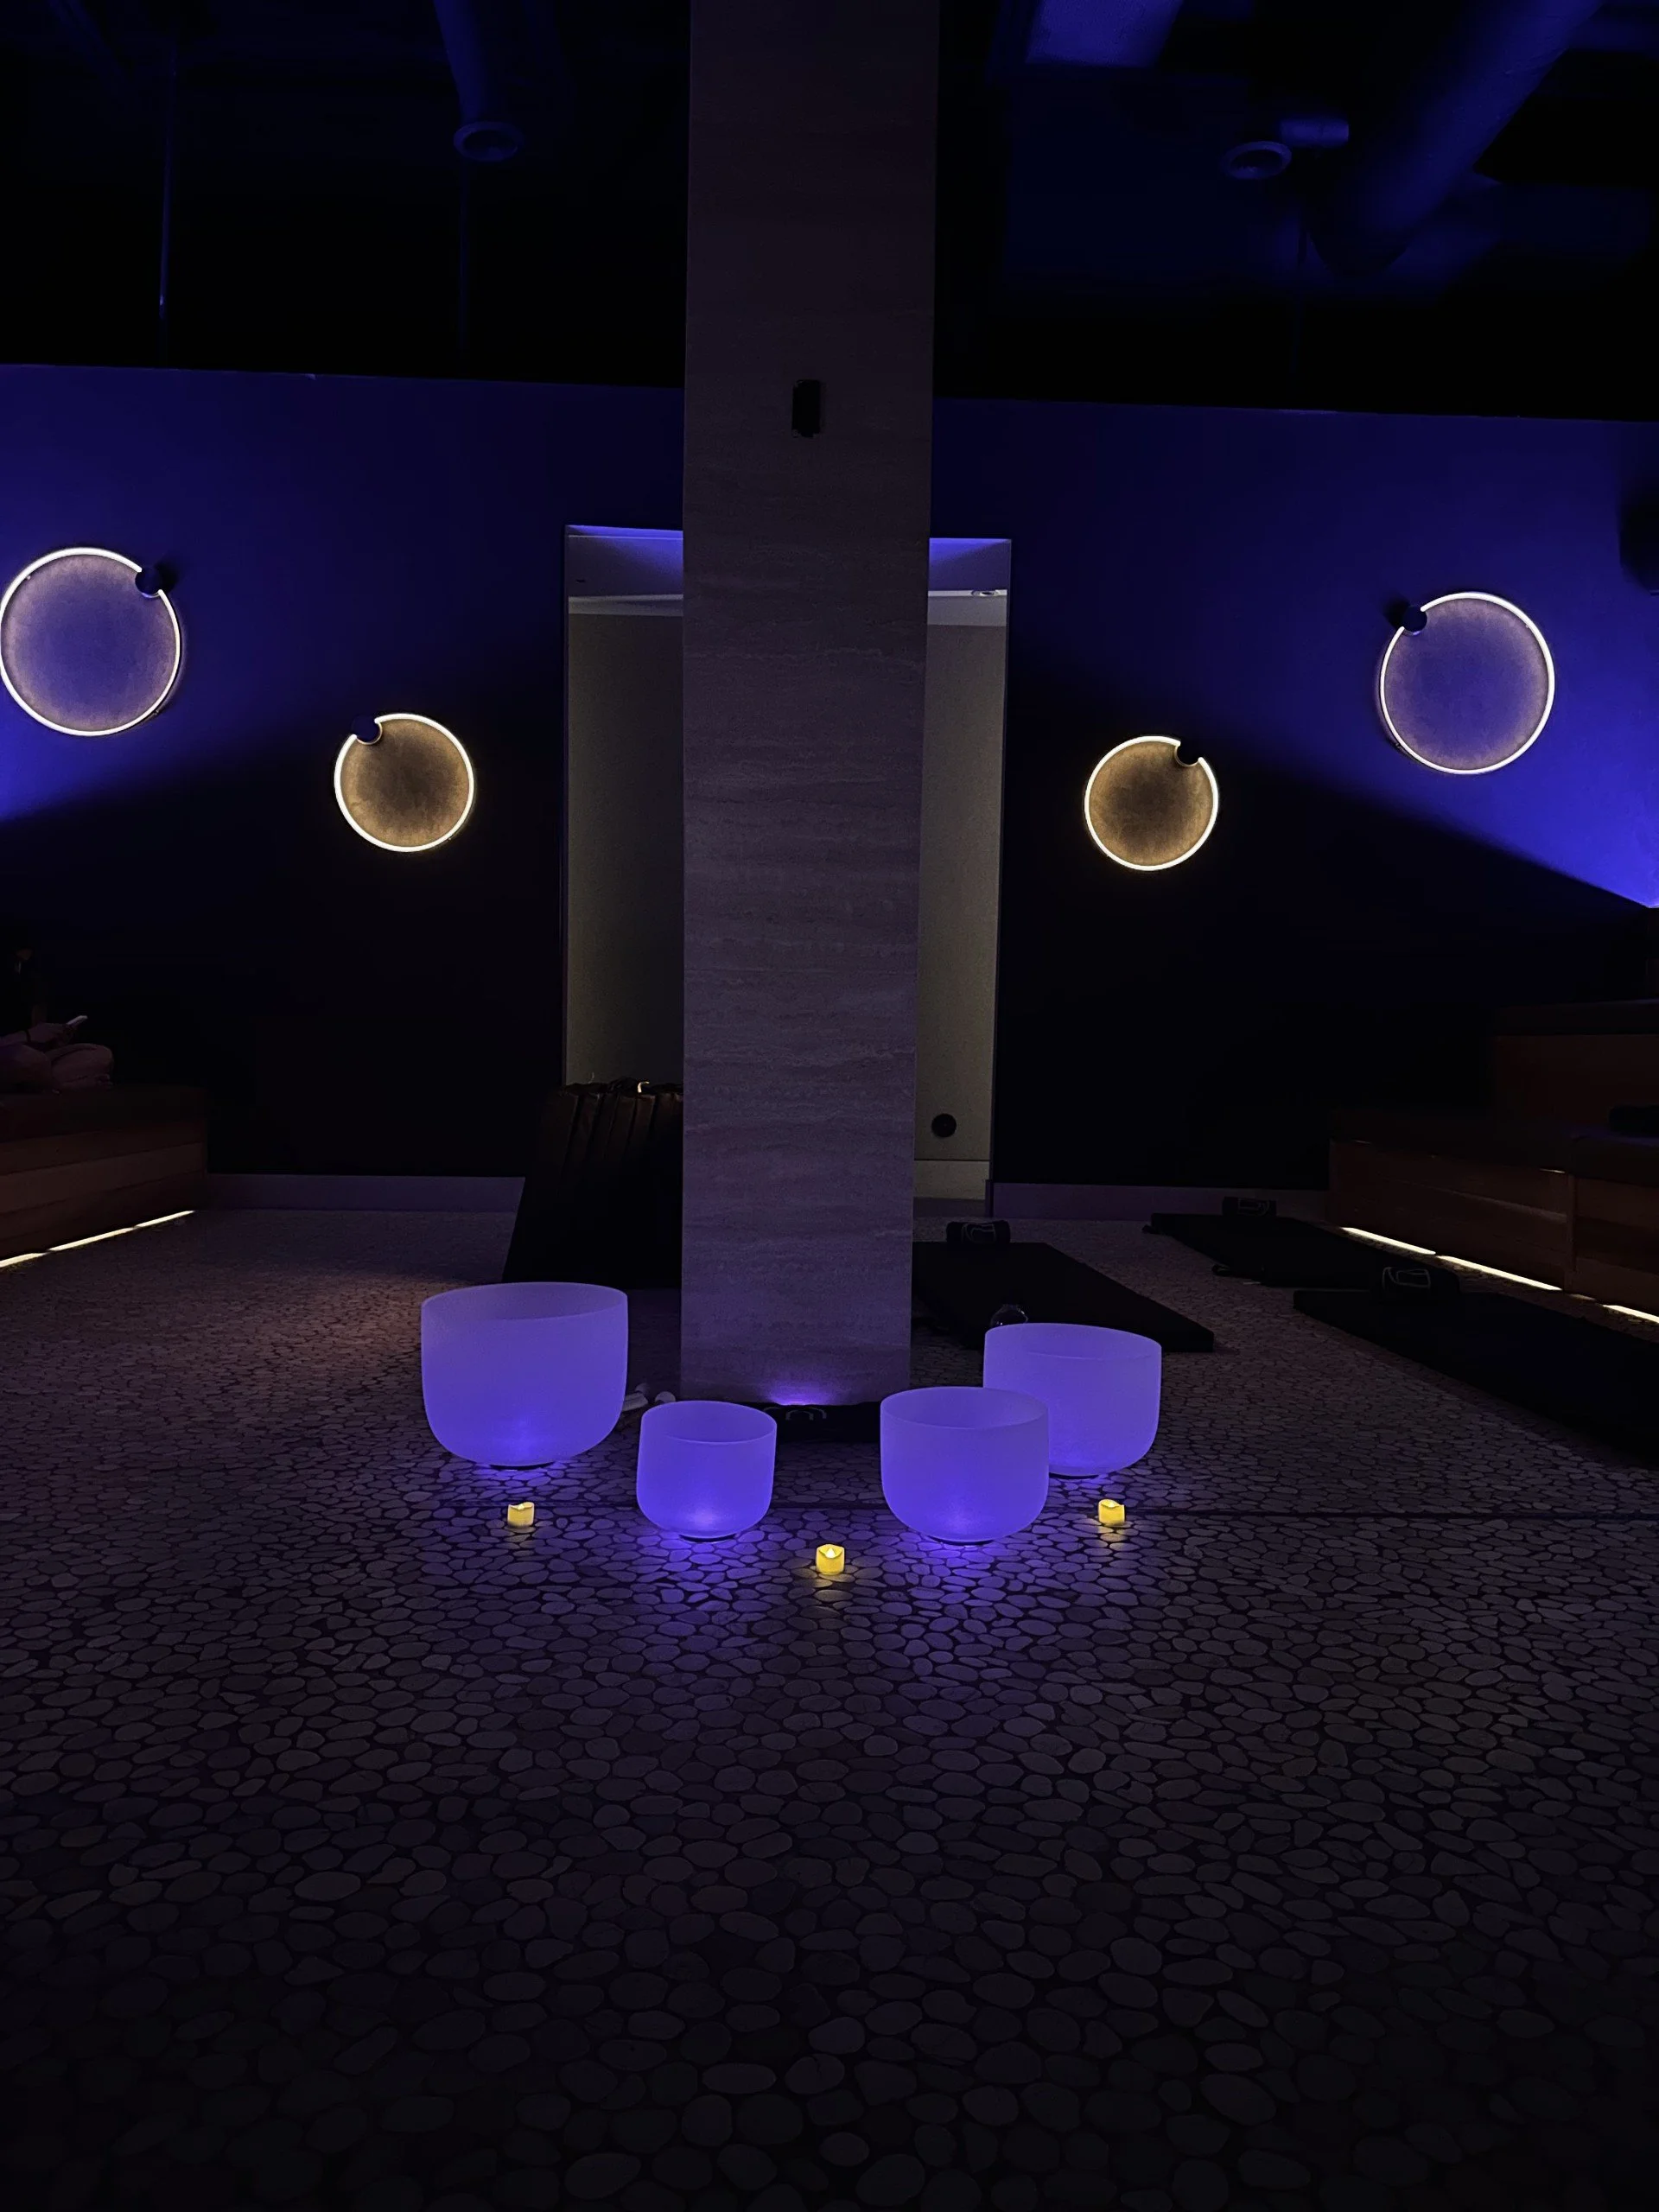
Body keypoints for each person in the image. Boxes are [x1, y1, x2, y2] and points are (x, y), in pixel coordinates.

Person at [0, 918, 113, 1092]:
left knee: (100, 1055)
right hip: (16, 1059)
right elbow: (25, 1044)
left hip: (36, 1063)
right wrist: (27, 1036)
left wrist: (54, 1039)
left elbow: (38, 1044)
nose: (18, 969)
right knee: (28, 1059)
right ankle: (63, 1087)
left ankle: (39, 1084)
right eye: (15, 962)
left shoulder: (30, 986)